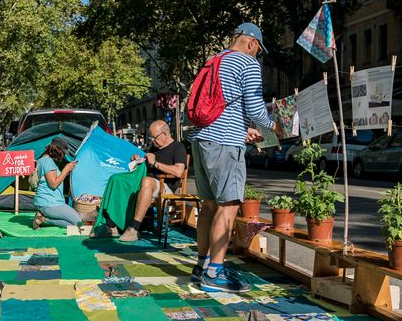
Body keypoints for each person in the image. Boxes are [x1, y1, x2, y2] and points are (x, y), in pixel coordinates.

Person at [191, 22, 282, 293]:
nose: (258, 56)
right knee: (228, 205)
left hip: (202, 138)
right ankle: (215, 273)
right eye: (258, 50)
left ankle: (202, 265)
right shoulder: (247, 63)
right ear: (251, 43)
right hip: (223, 144)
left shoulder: (215, 60)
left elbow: (222, 108)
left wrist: (243, 132)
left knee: (208, 205)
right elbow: (255, 107)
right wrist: (275, 126)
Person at [119, 120, 187, 242]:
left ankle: (134, 228)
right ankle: (113, 223)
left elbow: (178, 172)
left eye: (154, 137)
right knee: (119, 180)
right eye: (151, 137)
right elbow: (146, 162)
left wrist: (155, 163)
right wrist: (137, 159)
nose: (152, 140)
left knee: (147, 181)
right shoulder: (153, 148)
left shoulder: (178, 147)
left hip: (164, 186)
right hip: (149, 184)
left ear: (165, 134)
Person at [33, 137, 82, 229]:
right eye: (63, 152)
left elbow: (52, 179)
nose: (63, 155)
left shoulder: (42, 160)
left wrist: (68, 172)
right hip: (50, 203)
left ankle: (42, 218)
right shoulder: (48, 162)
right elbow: (53, 184)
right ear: (57, 150)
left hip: (46, 202)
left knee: (74, 225)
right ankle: (44, 219)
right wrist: (66, 168)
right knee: (79, 223)